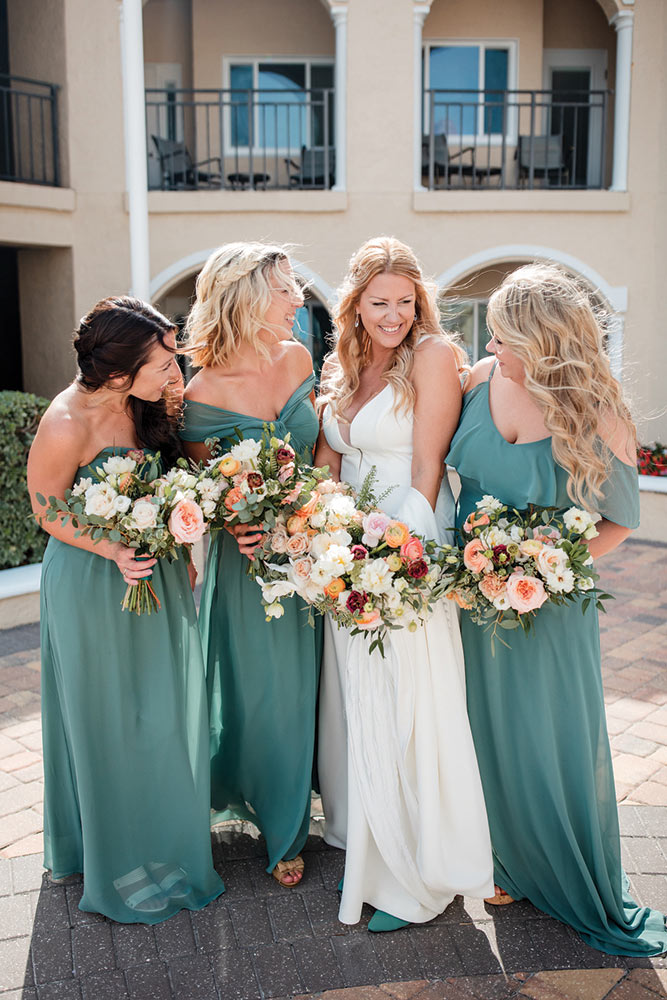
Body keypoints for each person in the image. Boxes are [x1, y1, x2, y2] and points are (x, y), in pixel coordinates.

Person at [446, 263, 667, 955]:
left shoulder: (600, 413)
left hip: (550, 602)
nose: (493, 351)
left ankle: (567, 870)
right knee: (482, 727)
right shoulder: (477, 383)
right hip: (468, 594)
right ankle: (504, 861)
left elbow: (618, 522)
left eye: (506, 340)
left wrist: (544, 568)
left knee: (552, 733)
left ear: (545, 344)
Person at [315, 236, 494, 932]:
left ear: (420, 301)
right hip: (345, 551)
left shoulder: (431, 355)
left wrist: (393, 557)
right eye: (378, 302)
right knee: (364, 699)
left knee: (413, 699)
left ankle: (419, 871)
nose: (393, 315)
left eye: (404, 301)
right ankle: (370, 839)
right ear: (355, 305)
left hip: (407, 546)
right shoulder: (345, 364)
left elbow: (427, 468)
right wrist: (324, 535)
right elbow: (329, 453)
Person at [27, 297, 224, 923]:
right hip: (91, 580)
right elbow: (46, 508)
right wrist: (112, 546)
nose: (175, 374)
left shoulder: (147, 405)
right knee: (105, 715)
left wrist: (181, 544)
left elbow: (168, 476)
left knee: (158, 708)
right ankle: (109, 852)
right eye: (163, 363)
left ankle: (158, 834)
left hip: (154, 570)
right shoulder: (66, 422)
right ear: (117, 372)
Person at [180, 242, 321, 888]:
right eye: (286, 288)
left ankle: (293, 820)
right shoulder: (200, 392)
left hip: (312, 554)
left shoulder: (297, 357)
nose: (298, 299)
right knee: (258, 696)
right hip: (247, 571)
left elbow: (319, 458)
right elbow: (202, 489)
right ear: (248, 298)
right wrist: (230, 517)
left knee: (306, 693)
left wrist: (316, 518)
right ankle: (270, 818)